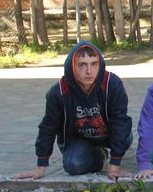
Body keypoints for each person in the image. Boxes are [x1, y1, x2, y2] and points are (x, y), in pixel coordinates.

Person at [12, 41, 132, 180]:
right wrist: (40, 166)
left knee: (126, 136)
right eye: (82, 65)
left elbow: (120, 121)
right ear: (72, 66)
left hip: (108, 134)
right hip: (79, 137)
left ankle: (110, 153)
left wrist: (114, 166)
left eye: (94, 64)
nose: (89, 71)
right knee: (73, 165)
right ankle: (99, 156)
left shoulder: (112, 83)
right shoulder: (59, 92)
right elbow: (48, 127)